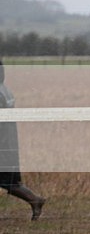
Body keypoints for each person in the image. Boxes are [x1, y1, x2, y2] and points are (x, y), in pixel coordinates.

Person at [1, 59, 46, 220]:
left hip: (3, 142)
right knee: (10, 181)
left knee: (10, 182)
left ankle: (35, 200)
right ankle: (35, 200)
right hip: (8, 141)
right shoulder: (5, 89)